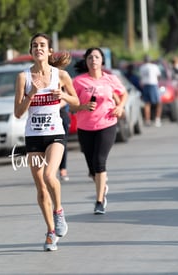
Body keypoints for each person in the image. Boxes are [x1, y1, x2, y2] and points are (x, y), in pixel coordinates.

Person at [14, 33, 79, 251]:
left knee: (50, 175)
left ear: (49, 51)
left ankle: (59, 211)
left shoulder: (60, 75)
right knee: (41, 186)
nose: (38, 48)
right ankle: (51, 232)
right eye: (34, 45)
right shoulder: (23, 77)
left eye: (42, 45)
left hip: (55, 133)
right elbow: (18, 113)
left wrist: (63, 96)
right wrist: (31, 94)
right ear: (31, 51)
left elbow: (77, 102)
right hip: (33, 135)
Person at [71, 47, 128, 215]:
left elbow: (123, 94)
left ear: (102, 61)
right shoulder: (78, 81)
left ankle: (99, 201)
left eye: (96, 57)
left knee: (99, 161)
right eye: (90, 57)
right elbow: (72, 106)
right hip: (85, 127)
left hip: (107, 123)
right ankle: (101, 184)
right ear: (86, 61)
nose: (93, 60)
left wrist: (120, 106)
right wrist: (83, 106)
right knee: (91, 168)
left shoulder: (111, 79)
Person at [139, 54, 162, 127]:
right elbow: (158, 76)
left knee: (147, 103)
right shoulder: (154, 66)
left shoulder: (142, 67)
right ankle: (157, 119)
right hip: (153, 85)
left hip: (145, 86)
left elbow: (141, 77)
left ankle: (147, 120)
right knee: (158, 103)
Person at [59, 102, 70, 182]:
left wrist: (53, 106)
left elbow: (67, 99)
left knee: (62, 144)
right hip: (44, 120)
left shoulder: (62, 88)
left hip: (61, 117)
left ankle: (63, 169)